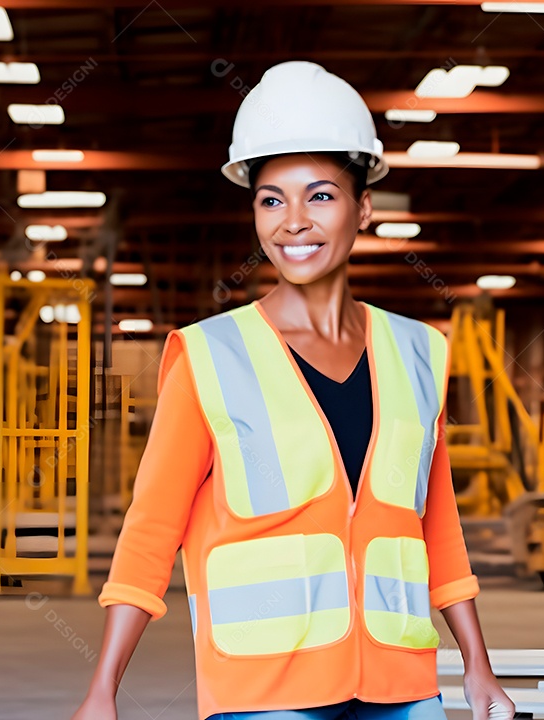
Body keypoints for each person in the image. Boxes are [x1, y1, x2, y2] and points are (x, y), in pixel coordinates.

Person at [72, 61, 515, 720]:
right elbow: (151, 530)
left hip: (401, 686)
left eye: (321, 196)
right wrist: (102, 690)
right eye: (271, 200)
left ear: (364, 207)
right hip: (265, 693)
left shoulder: (419, 352)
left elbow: (437, 526)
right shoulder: (211, 355)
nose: (294, 222)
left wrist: (478, 667)